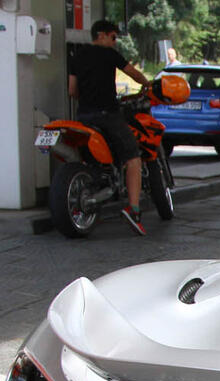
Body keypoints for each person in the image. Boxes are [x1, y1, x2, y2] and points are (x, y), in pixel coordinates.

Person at [68, 20, 152, 235]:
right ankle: (134, 210)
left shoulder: (77, 56)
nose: (115, 42)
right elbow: (133, 73)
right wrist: (147, 84)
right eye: (114, 37)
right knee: (133, 157)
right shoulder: (109, 54)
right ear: (102, 35)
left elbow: (72, 90)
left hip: (84, 116)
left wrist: (86, 102)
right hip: (107, 114)